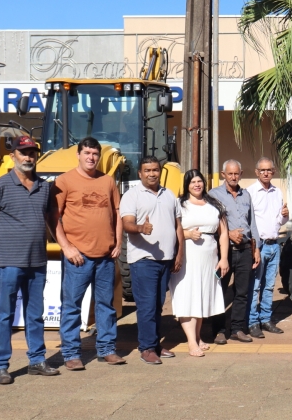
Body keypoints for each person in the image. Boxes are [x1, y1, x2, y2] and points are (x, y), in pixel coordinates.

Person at [0, 135, 60, 384]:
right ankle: (1, 365)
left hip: (37, 261)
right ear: (13, 155)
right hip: (9, 261)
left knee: (35, 314)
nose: (28, 157)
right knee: (5, 314)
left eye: (32, 153)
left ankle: (37, 360)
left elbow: (50, 218)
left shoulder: (45, 187)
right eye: (23, 152)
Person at [52, 137, 125, 370]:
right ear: (78, 154)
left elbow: (117, 212)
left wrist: (118, 242)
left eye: (95, 154)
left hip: (105, 256)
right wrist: (67, 247)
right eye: (87, 153)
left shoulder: (107, 181)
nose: (91, 158)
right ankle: (72, 354)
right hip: (78, 258)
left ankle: (106, 349)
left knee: (106, 305)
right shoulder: (64, 181)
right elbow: (53, 218)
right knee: (72, 306)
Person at [120, 157, 184, 365]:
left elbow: (178, 226)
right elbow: (127, 224)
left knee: (157, 305)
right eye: (147, 170)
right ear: (140, 173)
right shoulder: (132, 195)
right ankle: (146, 348)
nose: (152, 174)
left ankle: (155, 344)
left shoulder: (169, 195)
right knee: (146, 305)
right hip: (143, 260)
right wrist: (140, 228)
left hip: (165, 258)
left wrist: (179, 253)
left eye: (155, 170)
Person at [170, 170, 230, 357]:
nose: (197, 184)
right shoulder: (180, 205)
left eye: (199, 181)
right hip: (187, 256)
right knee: (188, 295)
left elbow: (224, 234)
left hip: (209, 256)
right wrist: (187, 234)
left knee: (202, 295)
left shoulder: (215, 204)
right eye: (192, 181)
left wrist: (224, 258)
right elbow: (171, 230)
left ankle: (198, 336)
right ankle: (191, 342)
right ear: (187, 185)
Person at [208, 159, 260, 344]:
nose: (233, 177)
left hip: (245, 249)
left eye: (236, 173)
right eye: (229, 174)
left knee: (242, 292)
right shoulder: (213, 195)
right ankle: (220, 330)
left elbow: (252, 223)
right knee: (220, 291)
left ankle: (237, 328)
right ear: (223, 175)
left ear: (241, 173)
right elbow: (210, 223)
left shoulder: (246, 195)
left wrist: (256, 249)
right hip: (225, 252)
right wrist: (228, 234)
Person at [248, 157, 289, 338]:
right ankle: (252, 322)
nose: (266, 173)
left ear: (273, 172)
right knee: (255, 286)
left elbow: (279, 221)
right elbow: (248, 222)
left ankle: (266, 319)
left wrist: (285, 216)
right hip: (259, 245)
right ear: (257, 172)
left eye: (269, 170)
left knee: (269, 286)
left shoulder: (277, 192)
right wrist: (253, 246)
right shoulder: (250, 193)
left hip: (274, 244)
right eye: (262, 170)